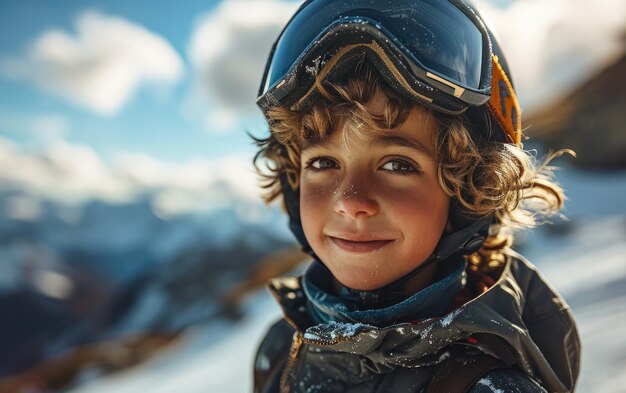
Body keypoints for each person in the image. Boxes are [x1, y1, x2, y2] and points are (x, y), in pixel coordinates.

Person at [252, 0, 580, 392]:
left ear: (469, 192)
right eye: (323, 163)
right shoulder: (281, 350)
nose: (351, 201)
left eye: (397, 165)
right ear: (293, 180)